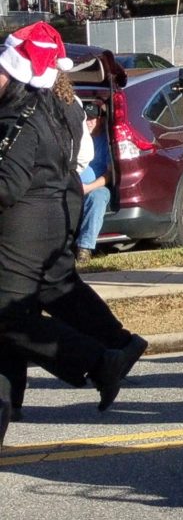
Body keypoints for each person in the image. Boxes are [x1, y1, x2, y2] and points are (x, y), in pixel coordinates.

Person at [0, 23, 147, 442]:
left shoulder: (20, 113)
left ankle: (101, 358)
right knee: (46, 292)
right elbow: (78, 156)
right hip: (56, 208)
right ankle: (13, 401)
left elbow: (7, 183)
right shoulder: (60, 104)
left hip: (27, 220)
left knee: (9, 315)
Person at [74, 101, 111, 263]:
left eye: (92, 119)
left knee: (99, 196)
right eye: (86, 118)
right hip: (73, 183)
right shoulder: (77, 139)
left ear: (100, 120)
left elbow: (110, 174)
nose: (88, 122)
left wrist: (88, 187)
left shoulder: (106, 141)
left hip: (95, 185)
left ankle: (84, 249)